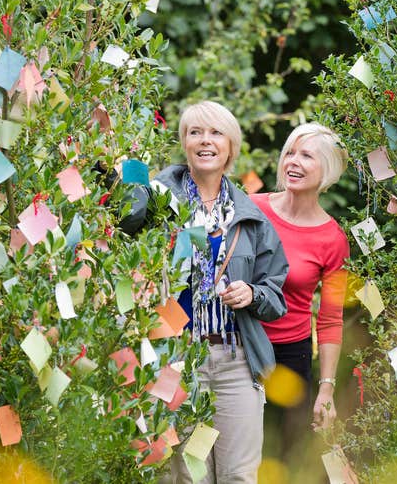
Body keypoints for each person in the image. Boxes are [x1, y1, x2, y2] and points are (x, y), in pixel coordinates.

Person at [118, 100, 289, 483]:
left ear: (231, 146)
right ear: (184, 142)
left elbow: (277, 295)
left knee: (239, 476)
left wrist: (252, 294)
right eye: (195, 132)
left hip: (235, 361)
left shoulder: (251, 216)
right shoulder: (157, 199)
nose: (205, 141)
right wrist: (125, 162)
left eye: (216, 133)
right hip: (175, 358)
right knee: (184, 475)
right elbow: (124, 219)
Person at [251, 122, 349, 459]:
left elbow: (331, 319)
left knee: (283, 458)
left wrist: (326, 388)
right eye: (289, 152)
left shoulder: (333, 240)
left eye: (306, 155)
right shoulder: (252, 209)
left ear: (327, 169)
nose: (293, 161)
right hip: (240, 347)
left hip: (289, 358)